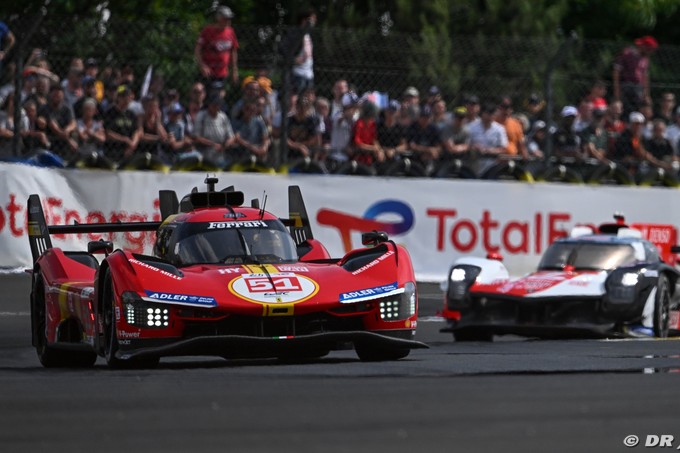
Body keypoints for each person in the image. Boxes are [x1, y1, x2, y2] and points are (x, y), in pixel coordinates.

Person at [195, 6, 239, 92]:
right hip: (208, 72)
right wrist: (202, 65)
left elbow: (233, 51)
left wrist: (234, 70)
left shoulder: (230, 32)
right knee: (202, 93)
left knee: (217, 98)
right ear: (218, 18)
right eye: (225, 18)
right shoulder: (207, 31)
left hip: (222, 72)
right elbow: (197, 50)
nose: (228, 21)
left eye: (229, 18)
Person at [613, 35, 658, 116]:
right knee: (625, 111)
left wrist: (646, 94)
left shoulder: (645, 59)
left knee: (638, 111)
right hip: (626, 86)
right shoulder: (627, 54)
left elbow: (645, 77)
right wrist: (617, 90)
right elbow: (616, 71)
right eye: (649, 49)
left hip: (638, 88)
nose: (650, 51)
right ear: (643, 46)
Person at [192, 94, 235, 167]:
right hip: (204, 154)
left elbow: (232, 137)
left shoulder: (223, 117)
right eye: (214, 104)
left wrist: (225, 145)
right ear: (209, 104)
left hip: (221, 155)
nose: (216, 106)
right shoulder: (202, 116)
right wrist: (213, 144)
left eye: (218, 104)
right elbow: (196, 137)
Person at [102, 85, 142, 163]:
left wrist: (132, 144)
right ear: (118, 98)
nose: (126, 99)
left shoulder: (131, 114)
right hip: (113, 150)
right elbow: (108, 133)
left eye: (128, 96)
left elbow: (137, 131)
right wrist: (124, 139)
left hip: (129, 151)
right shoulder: (110, 112)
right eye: (123, 96)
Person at [38, 85, 78, 159]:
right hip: (52, 137)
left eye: (59, 96)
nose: (57, 98)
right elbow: (54, 127)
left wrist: (67, 130)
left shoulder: (67, 107)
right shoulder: (45, 108)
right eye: (55, 95)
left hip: (65, 134)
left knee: (75, 132)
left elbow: (73, 123)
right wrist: (69, 140)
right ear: (50, 95)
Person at [231, 99, 270, 165]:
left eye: (253, 110)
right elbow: (237, 139)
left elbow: (265, 138)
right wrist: (253, 148)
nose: (250, 112)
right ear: (243, 109)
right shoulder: (237, 123)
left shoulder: (259, 122)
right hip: (243, 149)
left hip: (257, 148)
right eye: (248, 109)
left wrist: (264, 147)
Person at [405, 104, 441, 174]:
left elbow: (439, 146)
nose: (425, 119)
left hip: (429, 154)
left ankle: (433, 172)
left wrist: (434, 150)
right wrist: (427, 150)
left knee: (435, 154)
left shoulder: (434, 128)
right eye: (423, 117)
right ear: (419, 117)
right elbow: (412, 146)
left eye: (427, 117)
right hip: (416, 154)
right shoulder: (413, 127)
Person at [290, 10, 316, 95]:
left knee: (307, 97)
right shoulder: (296, 33)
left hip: (308, 73)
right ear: (304, 20)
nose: (314, 22)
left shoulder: (307, 35)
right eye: (312, 19)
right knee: (295, 96)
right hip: (298, 72)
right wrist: (293, 59)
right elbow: (286, 49)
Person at [351, 100, 384, 168]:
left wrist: (379, 150)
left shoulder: (372, 124)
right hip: (359, 157)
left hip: (370, 158)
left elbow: (374, 140)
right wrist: (373, 149)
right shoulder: (359, 124)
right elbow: (358, 144)